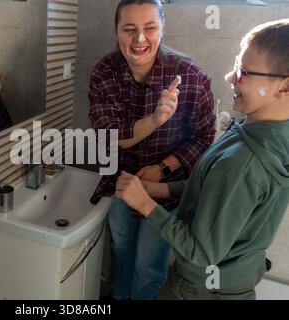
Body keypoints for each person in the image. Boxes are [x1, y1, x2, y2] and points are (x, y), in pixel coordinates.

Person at [115, 19, 289, 300]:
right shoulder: (258, 130)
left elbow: (201, 253)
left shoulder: (244, 163)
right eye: (236, 66)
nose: (230, 78)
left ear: (284, 88)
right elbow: (212, 187)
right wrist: (161, 190)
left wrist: (144, 204)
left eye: (243, 72)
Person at [88, 0, 216, 299]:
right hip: (120, 182)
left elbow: (204, 137)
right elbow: (112, 136)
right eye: (129, 29)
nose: (139, 39)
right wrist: (156, 119)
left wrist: (163, 169)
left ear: (162, 28)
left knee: (149, 265)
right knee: (121, 250)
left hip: (165, 192)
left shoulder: (191, 76)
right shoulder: (105, 72)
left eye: (149, 28)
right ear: (116, 30)